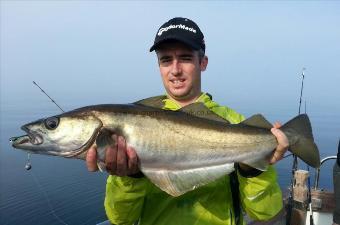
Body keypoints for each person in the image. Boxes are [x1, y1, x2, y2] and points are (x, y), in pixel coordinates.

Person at [86, 17, 289, 225]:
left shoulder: (235, 123)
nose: (175, 70)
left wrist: (252, 169)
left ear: (203, 62)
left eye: (185, 58)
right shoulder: (134, 121)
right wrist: (130, 177)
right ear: (159, 66)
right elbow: (121, 220)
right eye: (166, 60)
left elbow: (265, 213)